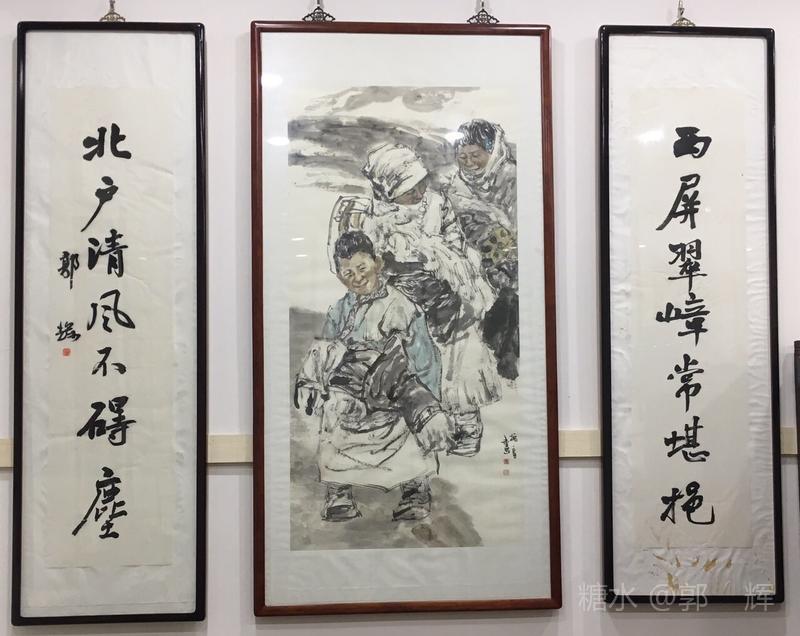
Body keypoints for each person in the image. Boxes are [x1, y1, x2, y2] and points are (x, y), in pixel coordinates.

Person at [353, 142, 501, 456]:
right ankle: (420, 427)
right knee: (408, 358)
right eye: (409, 190)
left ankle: (467, 426)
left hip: (445, 288)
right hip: (402, 296)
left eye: (421, 184)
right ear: (389, 191)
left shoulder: (436, 204)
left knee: (461, 354)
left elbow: (455, 243)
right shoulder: (374, 217)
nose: (419, 193)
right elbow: (370, 264)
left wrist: (445, 262)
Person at [294, 231, 452, 522]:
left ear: (377, 263)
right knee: (334, 408)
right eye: (348, 273)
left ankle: (414, 490)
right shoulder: (340, 309)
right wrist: (312, 379)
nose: (356, 277)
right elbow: (324, 349)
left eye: (362, 268)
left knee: (414, 412)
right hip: (350, 389)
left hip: (395, 386)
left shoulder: (402, 306)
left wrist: (427, 398)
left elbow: (424, 357)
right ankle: (339, 491)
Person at [446, 119, 519, 380]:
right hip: (474, 259)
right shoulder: (457, 184)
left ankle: (506, 355)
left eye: (476, 155)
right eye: (463, 156)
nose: (469, 163)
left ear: (492, 151)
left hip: (510, 263)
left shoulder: (512, 179)